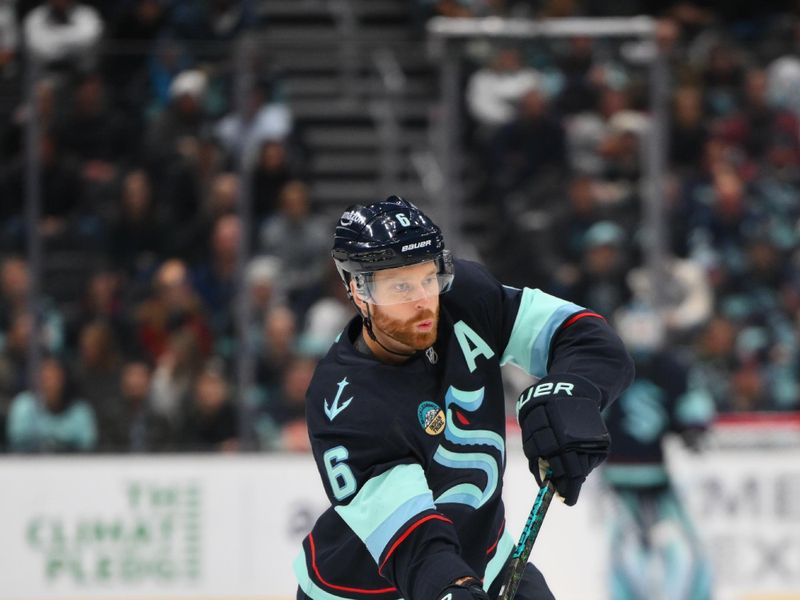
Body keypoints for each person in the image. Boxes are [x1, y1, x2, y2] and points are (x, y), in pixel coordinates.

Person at [294, 196, 634, 600]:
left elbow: (586, 338)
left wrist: (573, 393)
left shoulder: (465, 298)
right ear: (358, 290)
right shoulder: (344, 404)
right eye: (400, 286)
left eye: (427, 277)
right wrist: (453, 590)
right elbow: (417, 547)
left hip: (490, 563)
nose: (422, 300)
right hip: (368, 590)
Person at [602, 305, 715, 600]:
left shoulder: (666, 367)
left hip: (652, 477)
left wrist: (694, 426)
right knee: (628, 550)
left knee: (669, 547)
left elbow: (690, 404)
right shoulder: (613, 365)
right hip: (621, 480)